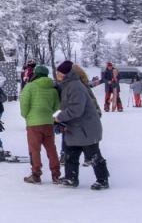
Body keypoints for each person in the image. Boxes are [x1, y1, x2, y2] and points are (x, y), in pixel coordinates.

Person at [54, 60, 110, 190]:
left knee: (93, 155)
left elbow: (76, 109)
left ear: (65, 74)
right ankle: (71, 178)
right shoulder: (68, 85)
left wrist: (59, 117)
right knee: (70, 154)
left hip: (86, 128)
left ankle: (102, 180)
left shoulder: (75, 86)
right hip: (75, 128)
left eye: (59, 72)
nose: (57, 75)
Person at [19, 65, 61, 184]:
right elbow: (57, 108)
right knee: (51, 149)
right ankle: (56, 174)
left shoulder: (30, 86)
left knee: (34, 149)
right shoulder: (53, 89)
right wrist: (50, 117)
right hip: (48, 123)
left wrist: (26, 116)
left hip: (33, 124)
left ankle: (36, 174)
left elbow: (24, 105)